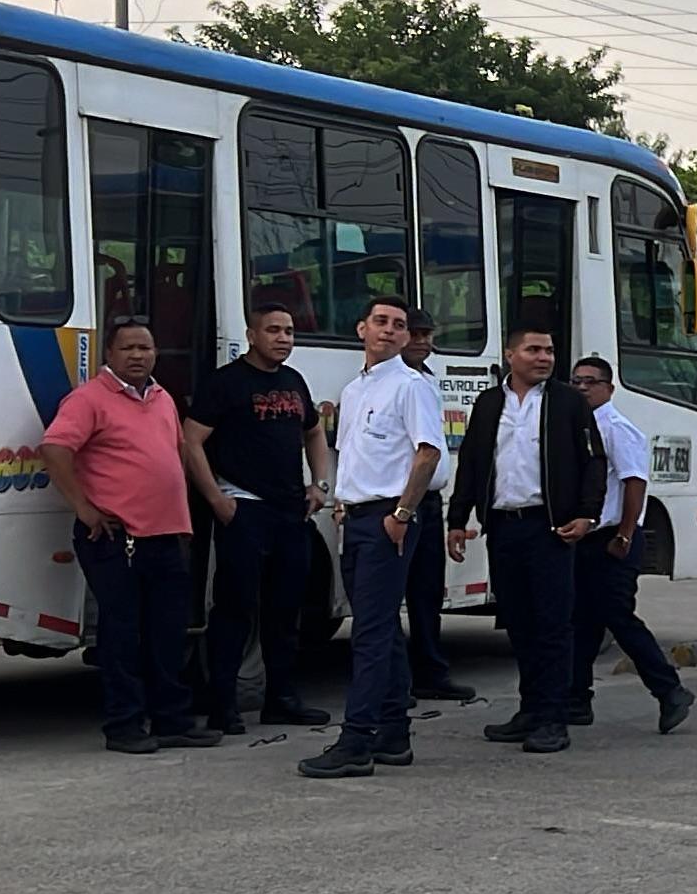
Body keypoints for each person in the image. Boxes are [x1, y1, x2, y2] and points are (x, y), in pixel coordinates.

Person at [40, 317, 222, 754]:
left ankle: (171, 721)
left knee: (168, 634)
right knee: (124, 634)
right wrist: (84, 508)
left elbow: (174, 457)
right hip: (114, 538)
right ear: (109, 354)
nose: (139, 356)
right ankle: (124, 726)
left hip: (165, 536)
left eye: (146, 347)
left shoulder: (161, 398)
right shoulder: (88, 399)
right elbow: (54, 448)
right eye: (129, 349)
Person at [302, 296, 444, 781]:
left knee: (370, 633)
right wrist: (342, 500)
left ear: (407, 337)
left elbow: (428, 454)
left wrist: (403, 511)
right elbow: (352, 452)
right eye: (380, 322)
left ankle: (357, 740)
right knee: (376, 627)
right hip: (357, 516)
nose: (389, 331)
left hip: (390, 516)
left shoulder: (411, 387)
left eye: (399, 325)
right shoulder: (355, 389)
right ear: (361, 328)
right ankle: (394, 733)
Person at [446, 323, 604, 755]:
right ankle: (530, 709)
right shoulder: (489, 403)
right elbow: (473, 463)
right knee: (518, 624)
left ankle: (554, 717)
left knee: (552, 625)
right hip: (503, 526)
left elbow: (594, 462)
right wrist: (457, 518)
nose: (544, 357)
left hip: (550, 528)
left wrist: (587, 514)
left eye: (550, 350)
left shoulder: (568, 403)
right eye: (534, 349)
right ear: (511, 355)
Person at [185, 300, 331, 735]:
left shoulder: (294, 382)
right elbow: (191, 441)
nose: (283, 338)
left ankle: (281, 699)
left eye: (288, 331)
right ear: (251, 335)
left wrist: (319, 486)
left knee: (287, 613)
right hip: (244, 509)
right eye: (273, 330)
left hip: (291, 513)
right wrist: (217, 498)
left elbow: (315, 431)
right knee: (234, 610)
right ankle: (223, 705)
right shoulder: (225, 384)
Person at [566, 354, 692, 735]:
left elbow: (635, 482)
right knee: (582, 622)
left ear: (609, 388)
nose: (584, 388)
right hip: (585, 538)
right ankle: (576, 699)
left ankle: (670, 690)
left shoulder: (617, 428)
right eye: (577, 382)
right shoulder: (581, 427)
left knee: (619, 618)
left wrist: (625, 533)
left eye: (592, 382)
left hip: (614, 538)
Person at [397, 312, 478, 708]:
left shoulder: (428, 377)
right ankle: (397, 679)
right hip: (401, 501)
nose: (424, 341)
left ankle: (431, 672)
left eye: (429, 334)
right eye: (417, 334)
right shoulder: (389, 380)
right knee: (390, 592)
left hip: (430, 499)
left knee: (427, 592)